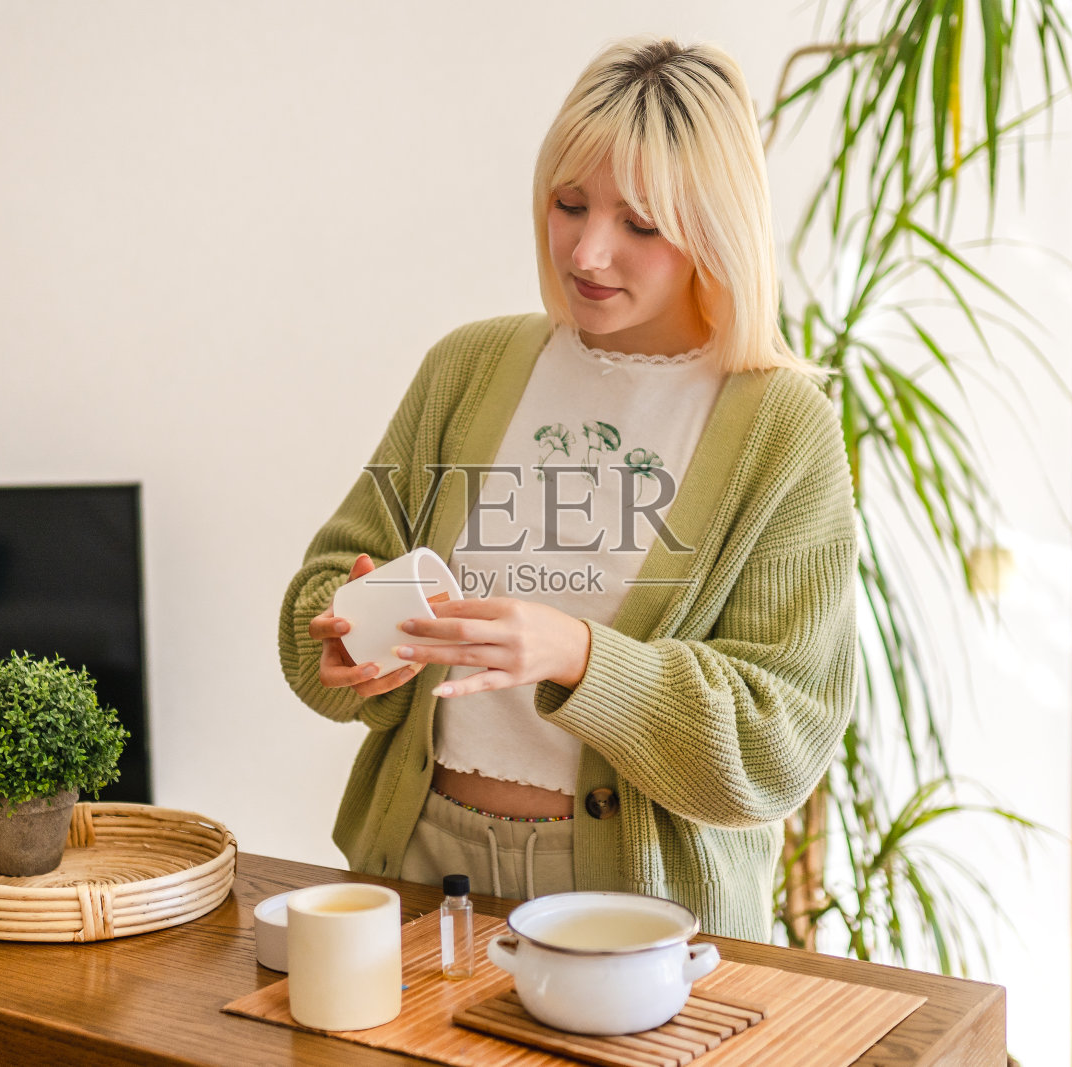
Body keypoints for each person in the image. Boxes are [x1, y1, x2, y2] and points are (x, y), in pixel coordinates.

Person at [277, 35, 856, 940]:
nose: (588, 252)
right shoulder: (468, 367)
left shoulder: (782, 430)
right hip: (422, 869)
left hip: (646, 912)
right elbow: (315, 603)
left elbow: (779, 741)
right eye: (569, 203)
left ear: (714, 226)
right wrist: (352, 644)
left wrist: (581, 657)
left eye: (642, 224)